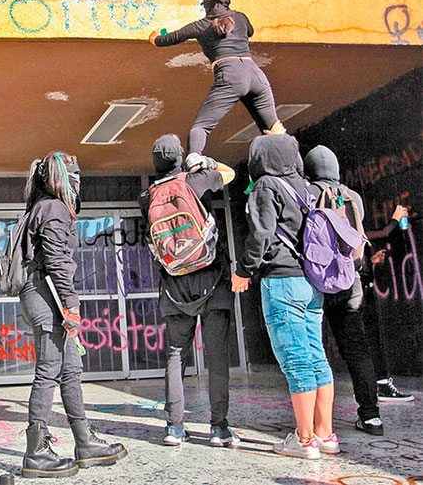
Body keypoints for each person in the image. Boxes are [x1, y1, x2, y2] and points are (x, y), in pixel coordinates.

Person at [18, 151, 126, 479]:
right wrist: (72, 303)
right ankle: (35, 452)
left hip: (44, 296)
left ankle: (84, 442)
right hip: (46, 297)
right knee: (49, 370)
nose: (78, 186)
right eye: (76, 180)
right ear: (66, 180)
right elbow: (56, 261)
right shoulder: (54, 209)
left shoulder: (42, 207)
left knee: (70, 370)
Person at [232, 134, 336, 459]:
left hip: (282, 281)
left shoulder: (265, 186)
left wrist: (243, 271)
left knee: (295, 360)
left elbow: (261, 233)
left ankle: (304, 440)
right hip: (310, 281)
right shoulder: (305, 187)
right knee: (316, 354)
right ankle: (325, 434)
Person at [139, 135, 239, 447]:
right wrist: (205, 162)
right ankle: (219, 427)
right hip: (212, 280)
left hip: (174, 288)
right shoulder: (198, 181)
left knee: (175, 355)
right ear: (182, 157)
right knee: (217, 355)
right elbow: (231, 174)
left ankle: (174, 428)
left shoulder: (147, 196)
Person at [149, 0, 286, 156]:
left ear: (206, 3)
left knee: (201, 127)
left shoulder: (201, 25)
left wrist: (154, 37)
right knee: (275, 130)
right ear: (228, 0)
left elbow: (167, 39)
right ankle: (302, 175)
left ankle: (193, 162)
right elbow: (249, 31)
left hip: (230, 74)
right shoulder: (241, 18)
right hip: (256, 75)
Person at [303, 146, 384, 435]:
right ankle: (371, 415)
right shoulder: (354, 197)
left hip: (315, 282)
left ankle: (314, 420)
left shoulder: (307, 192)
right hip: (350, 281)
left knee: (314, 348)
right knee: (357, 349)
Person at [362, 204, 415, 403]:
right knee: (369, 339)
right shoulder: (345, 222)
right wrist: (395, 220)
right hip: (358, 290)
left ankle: (376, 384)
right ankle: (379, 385)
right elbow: (379, 234)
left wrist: (370, 260)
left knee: (367, 340)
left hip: (359, 285)